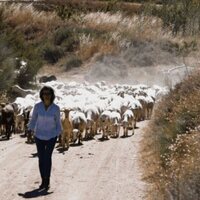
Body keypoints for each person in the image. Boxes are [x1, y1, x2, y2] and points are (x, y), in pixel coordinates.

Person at [28, 86, 62, 190]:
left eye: (48, 94)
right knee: (41, 158)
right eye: (44, 94)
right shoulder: (37, 107)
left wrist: (59, 134)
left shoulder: (56, 108)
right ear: (41, 95)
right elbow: (33, 119)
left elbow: (58, 123)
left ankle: (47, 180)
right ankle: (43, 179)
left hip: (51, 136)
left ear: (52, 95)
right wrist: (30, 130)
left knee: (47, 157)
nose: (46, 96)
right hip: (39, 136)